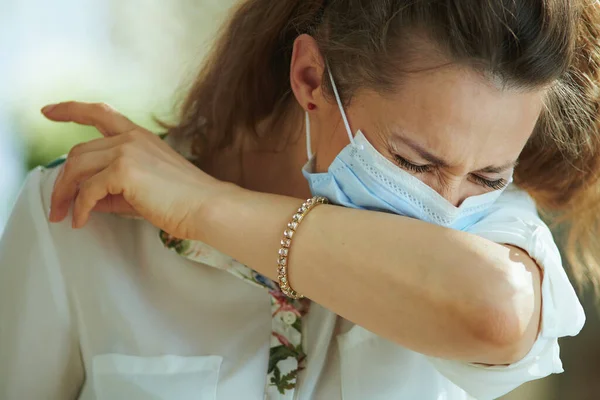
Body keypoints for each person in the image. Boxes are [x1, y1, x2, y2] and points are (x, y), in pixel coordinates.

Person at [1, 0, 597, 399]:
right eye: (415, 163)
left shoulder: (491, 233)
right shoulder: (79, 215)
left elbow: (496, 312)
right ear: (311, 78)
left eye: (489, 177)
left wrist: (206, 207)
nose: (445, 209)